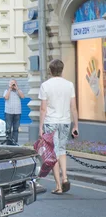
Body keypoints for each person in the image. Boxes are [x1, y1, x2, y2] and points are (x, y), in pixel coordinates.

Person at [39, 59, 79, 195]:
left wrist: (40, 127)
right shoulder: (69, 85)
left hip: (51, 122)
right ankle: (65, 177)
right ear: (62, 70)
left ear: (50, 71)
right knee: (62, 150)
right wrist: (76, 125)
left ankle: (58, 186)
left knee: (53, 153)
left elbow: (43, 109)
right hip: (65, 121)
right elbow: (73, 107)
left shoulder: (45, 85)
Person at [3, 79, 24, 145]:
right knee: (8, 128)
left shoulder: (19, 91)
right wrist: (10, 89)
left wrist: (17, 88)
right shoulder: (6, 91)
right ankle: (9, 141)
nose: (13, 85)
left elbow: (22, 97)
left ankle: (14, 141)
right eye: (11, 83)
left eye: (14, 83)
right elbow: (6, 97)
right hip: (9, 112)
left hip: (17, 112)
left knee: (16, 128)